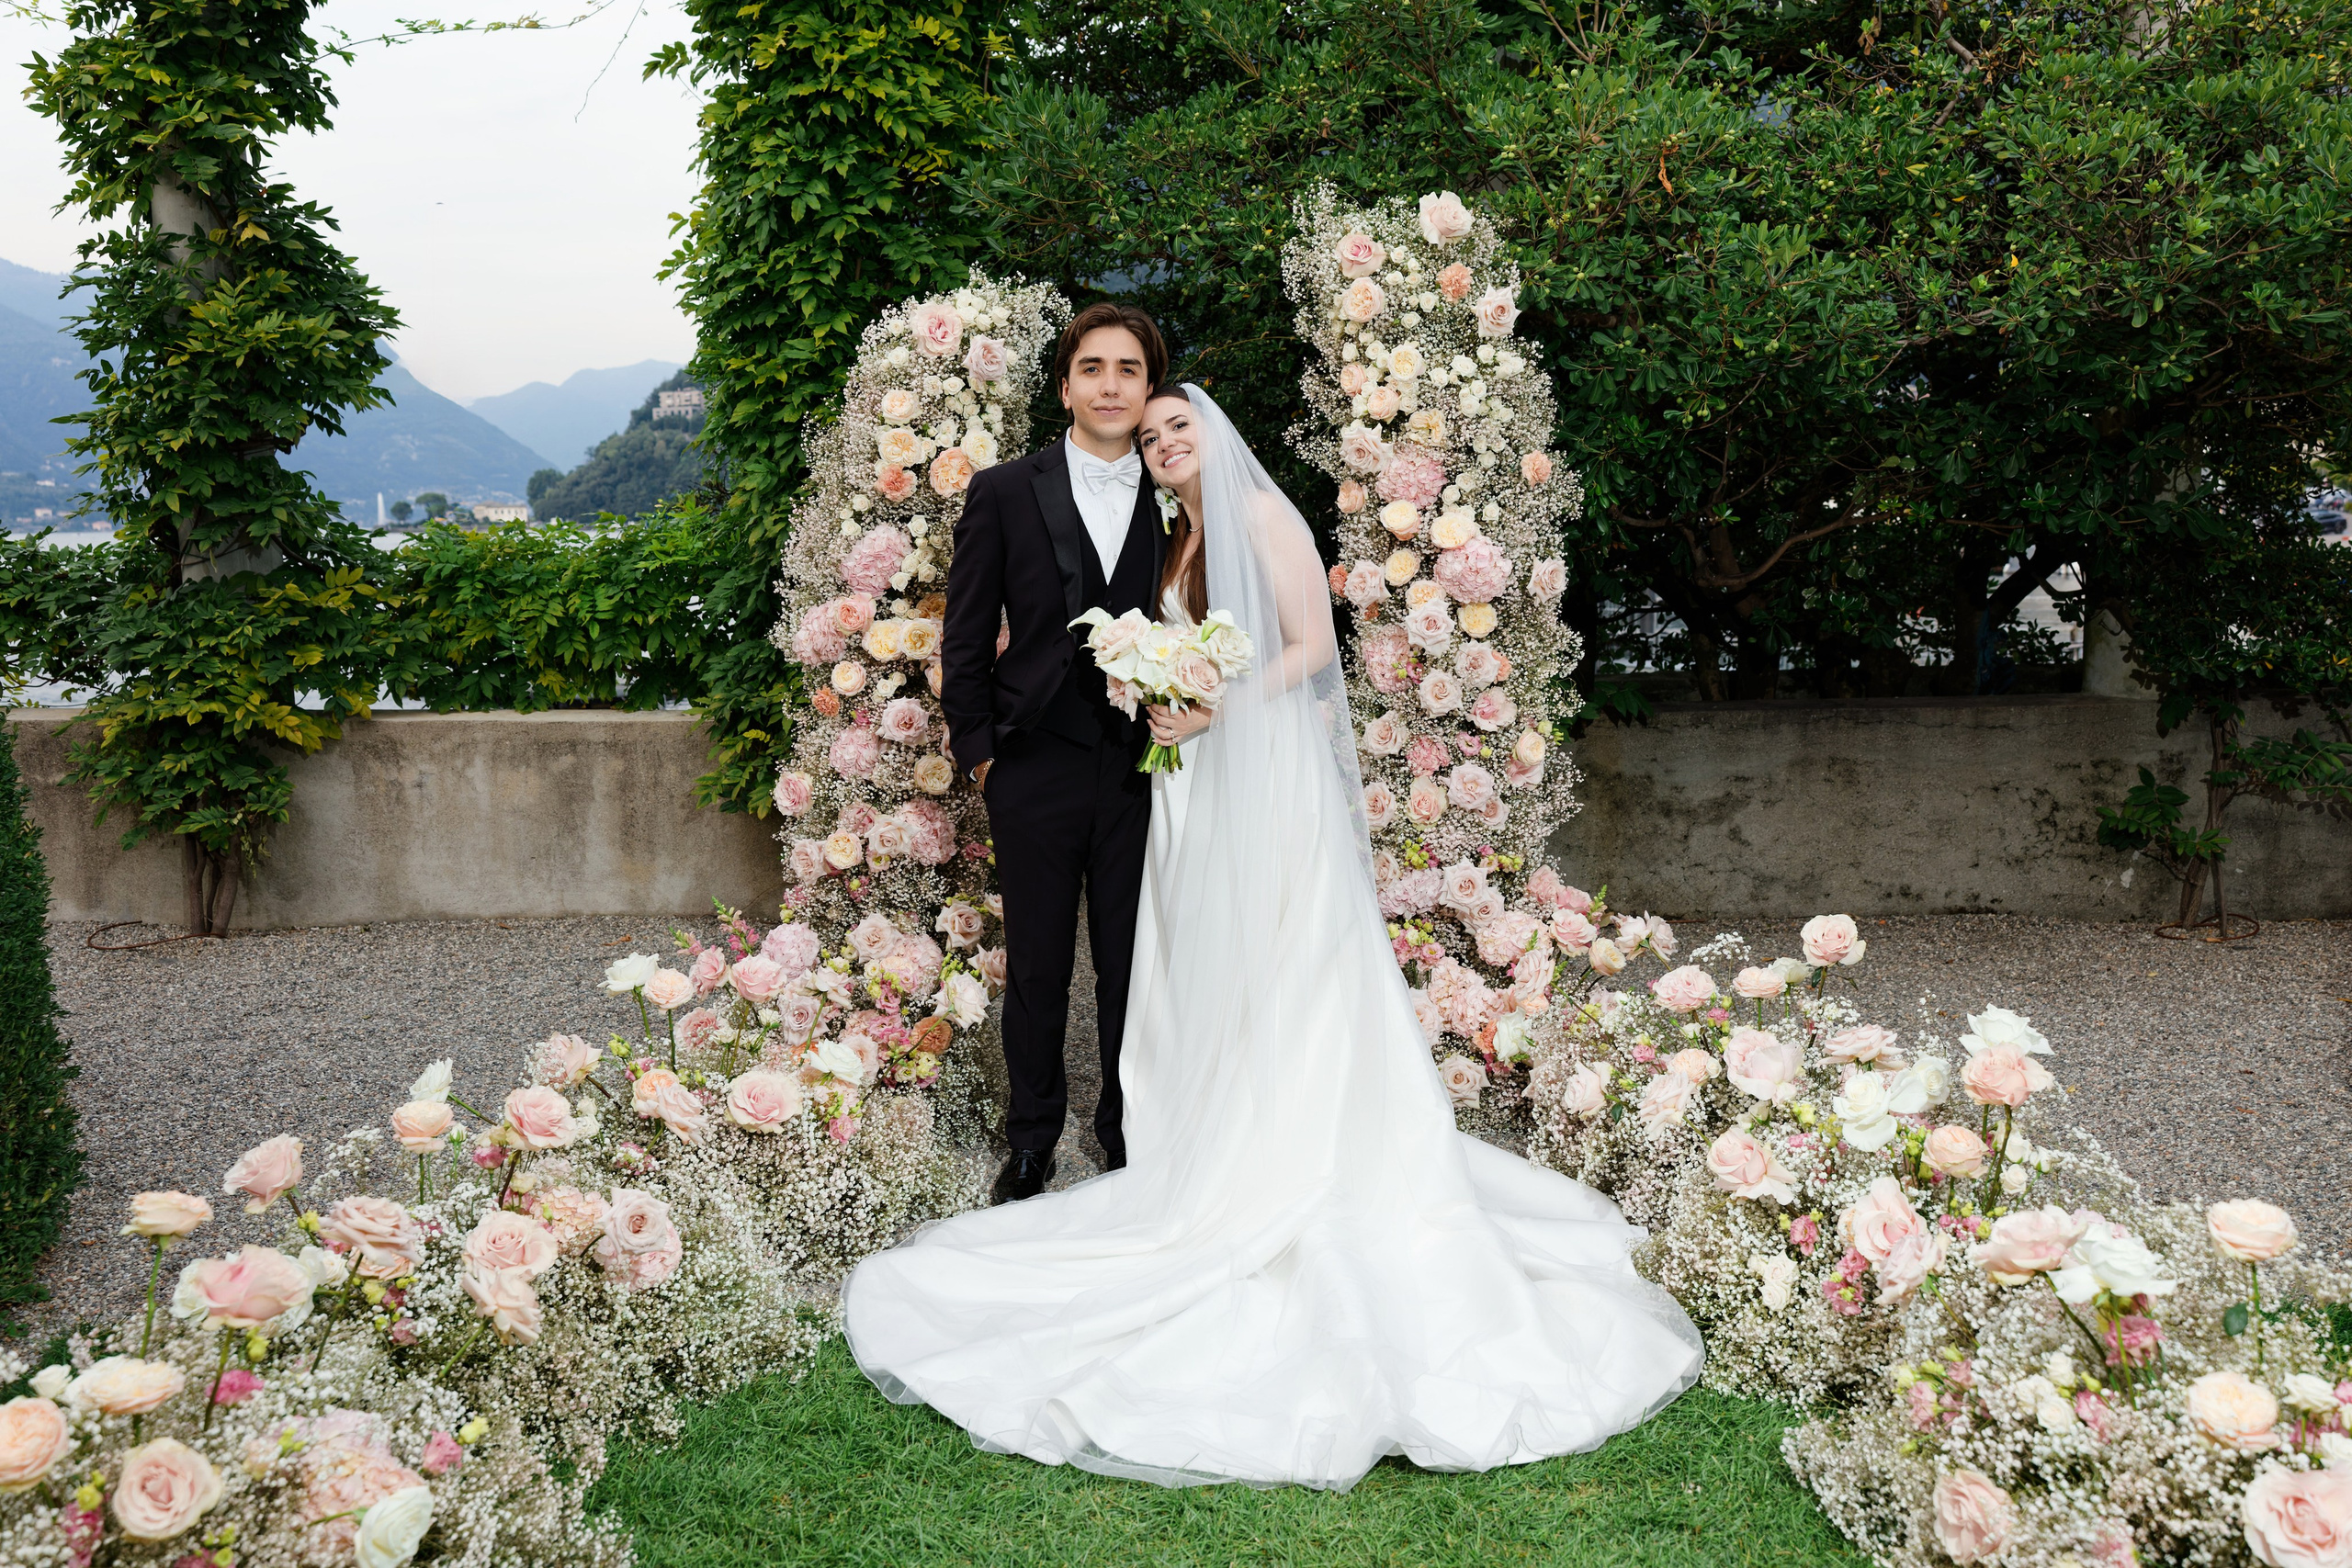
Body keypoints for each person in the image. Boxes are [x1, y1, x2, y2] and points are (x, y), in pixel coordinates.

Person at [844, 384, 1704, 1491]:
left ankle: (1293, 1154)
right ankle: (1209, 1138)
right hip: (1198, 783)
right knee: (1215, 973)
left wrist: (1212, 691)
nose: (1160, 446)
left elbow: (1311, 646)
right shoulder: (1178, 529)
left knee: (1291, 969)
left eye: (1175, 429)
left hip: (1261, 775)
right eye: (1149, 438)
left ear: (1212, 433)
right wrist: (1173, 697)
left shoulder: (1256, 518)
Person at [939, 303, 1168, 1204]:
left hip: (1146, 767)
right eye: (1093, 368)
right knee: (1036, 965)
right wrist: (982, 755)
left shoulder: (1174, 487)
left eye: (1129, 370)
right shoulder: (1002, 491)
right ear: (1065, 382)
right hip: (1031, 763)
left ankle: (1125, 1135)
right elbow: (963, 637)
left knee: (1131, 963)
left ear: (1149, 388)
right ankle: (1030, 1142)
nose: (1110, 385)